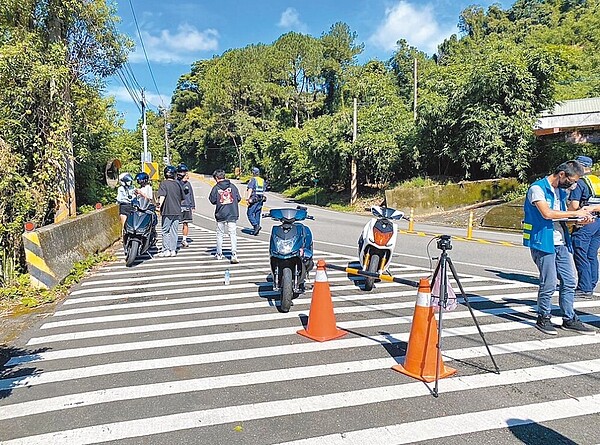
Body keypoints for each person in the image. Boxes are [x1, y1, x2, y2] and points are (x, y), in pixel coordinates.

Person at [523, 160, 595, 335]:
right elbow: (547, 214)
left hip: (561, 241)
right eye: (572, 180)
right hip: (543, 241)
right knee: (548, 282)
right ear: (561, 175)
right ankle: (543, 317)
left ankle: (569, 318)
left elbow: (561, 217)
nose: (574, 185)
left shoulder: (560, 192)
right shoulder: (537, 189)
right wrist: (575, 213)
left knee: (569, 281)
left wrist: (580, 219)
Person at [568, 155, 600, 299]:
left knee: (580, 252)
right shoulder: (596, 181)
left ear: (580, 167)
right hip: (598, 223)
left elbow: (574, 206)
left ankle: (584, 288)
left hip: (585, 222)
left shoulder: (579, 183)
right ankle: (591, 283)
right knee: (591, 254)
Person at [209, 169, 241, 264]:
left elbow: (212, 200)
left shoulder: (216, 188)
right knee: (233, 234)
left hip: (221, 214)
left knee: (220, 234)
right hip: (232, 213)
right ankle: (234, 254)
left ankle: (219, 254)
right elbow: (238, 198)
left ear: (216, 178)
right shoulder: (233, 187)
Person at [157, 165, 185, 257]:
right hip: (177, 210)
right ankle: (173, 250)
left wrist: (159, 206)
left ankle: (166, 250)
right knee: (174, 231)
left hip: (167, 210)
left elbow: (162, 196)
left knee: (165, 231)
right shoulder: (178, 184)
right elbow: (182, 198)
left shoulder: (163, 183)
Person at [177, 163, 195, 247]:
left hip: (187, 205)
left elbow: (191, 194)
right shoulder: (176, 182)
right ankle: (173, 238)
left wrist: (193, 206)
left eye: (184, 172)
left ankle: (184, 239)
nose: (183, 174)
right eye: (181, 172)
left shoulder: (188, 184)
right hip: (177, 206)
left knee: (185, 223)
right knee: (175, 223)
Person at [246, 167, 266, 235]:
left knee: (249, 213)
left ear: (253, 173)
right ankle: (256, 229)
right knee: (257, 213)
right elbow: (263, 190)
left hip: (254, 198)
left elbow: (250, 189)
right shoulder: (262, 180)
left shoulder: (253, 180)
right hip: (260, 199)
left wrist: (248, 199)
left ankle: (255, 225)